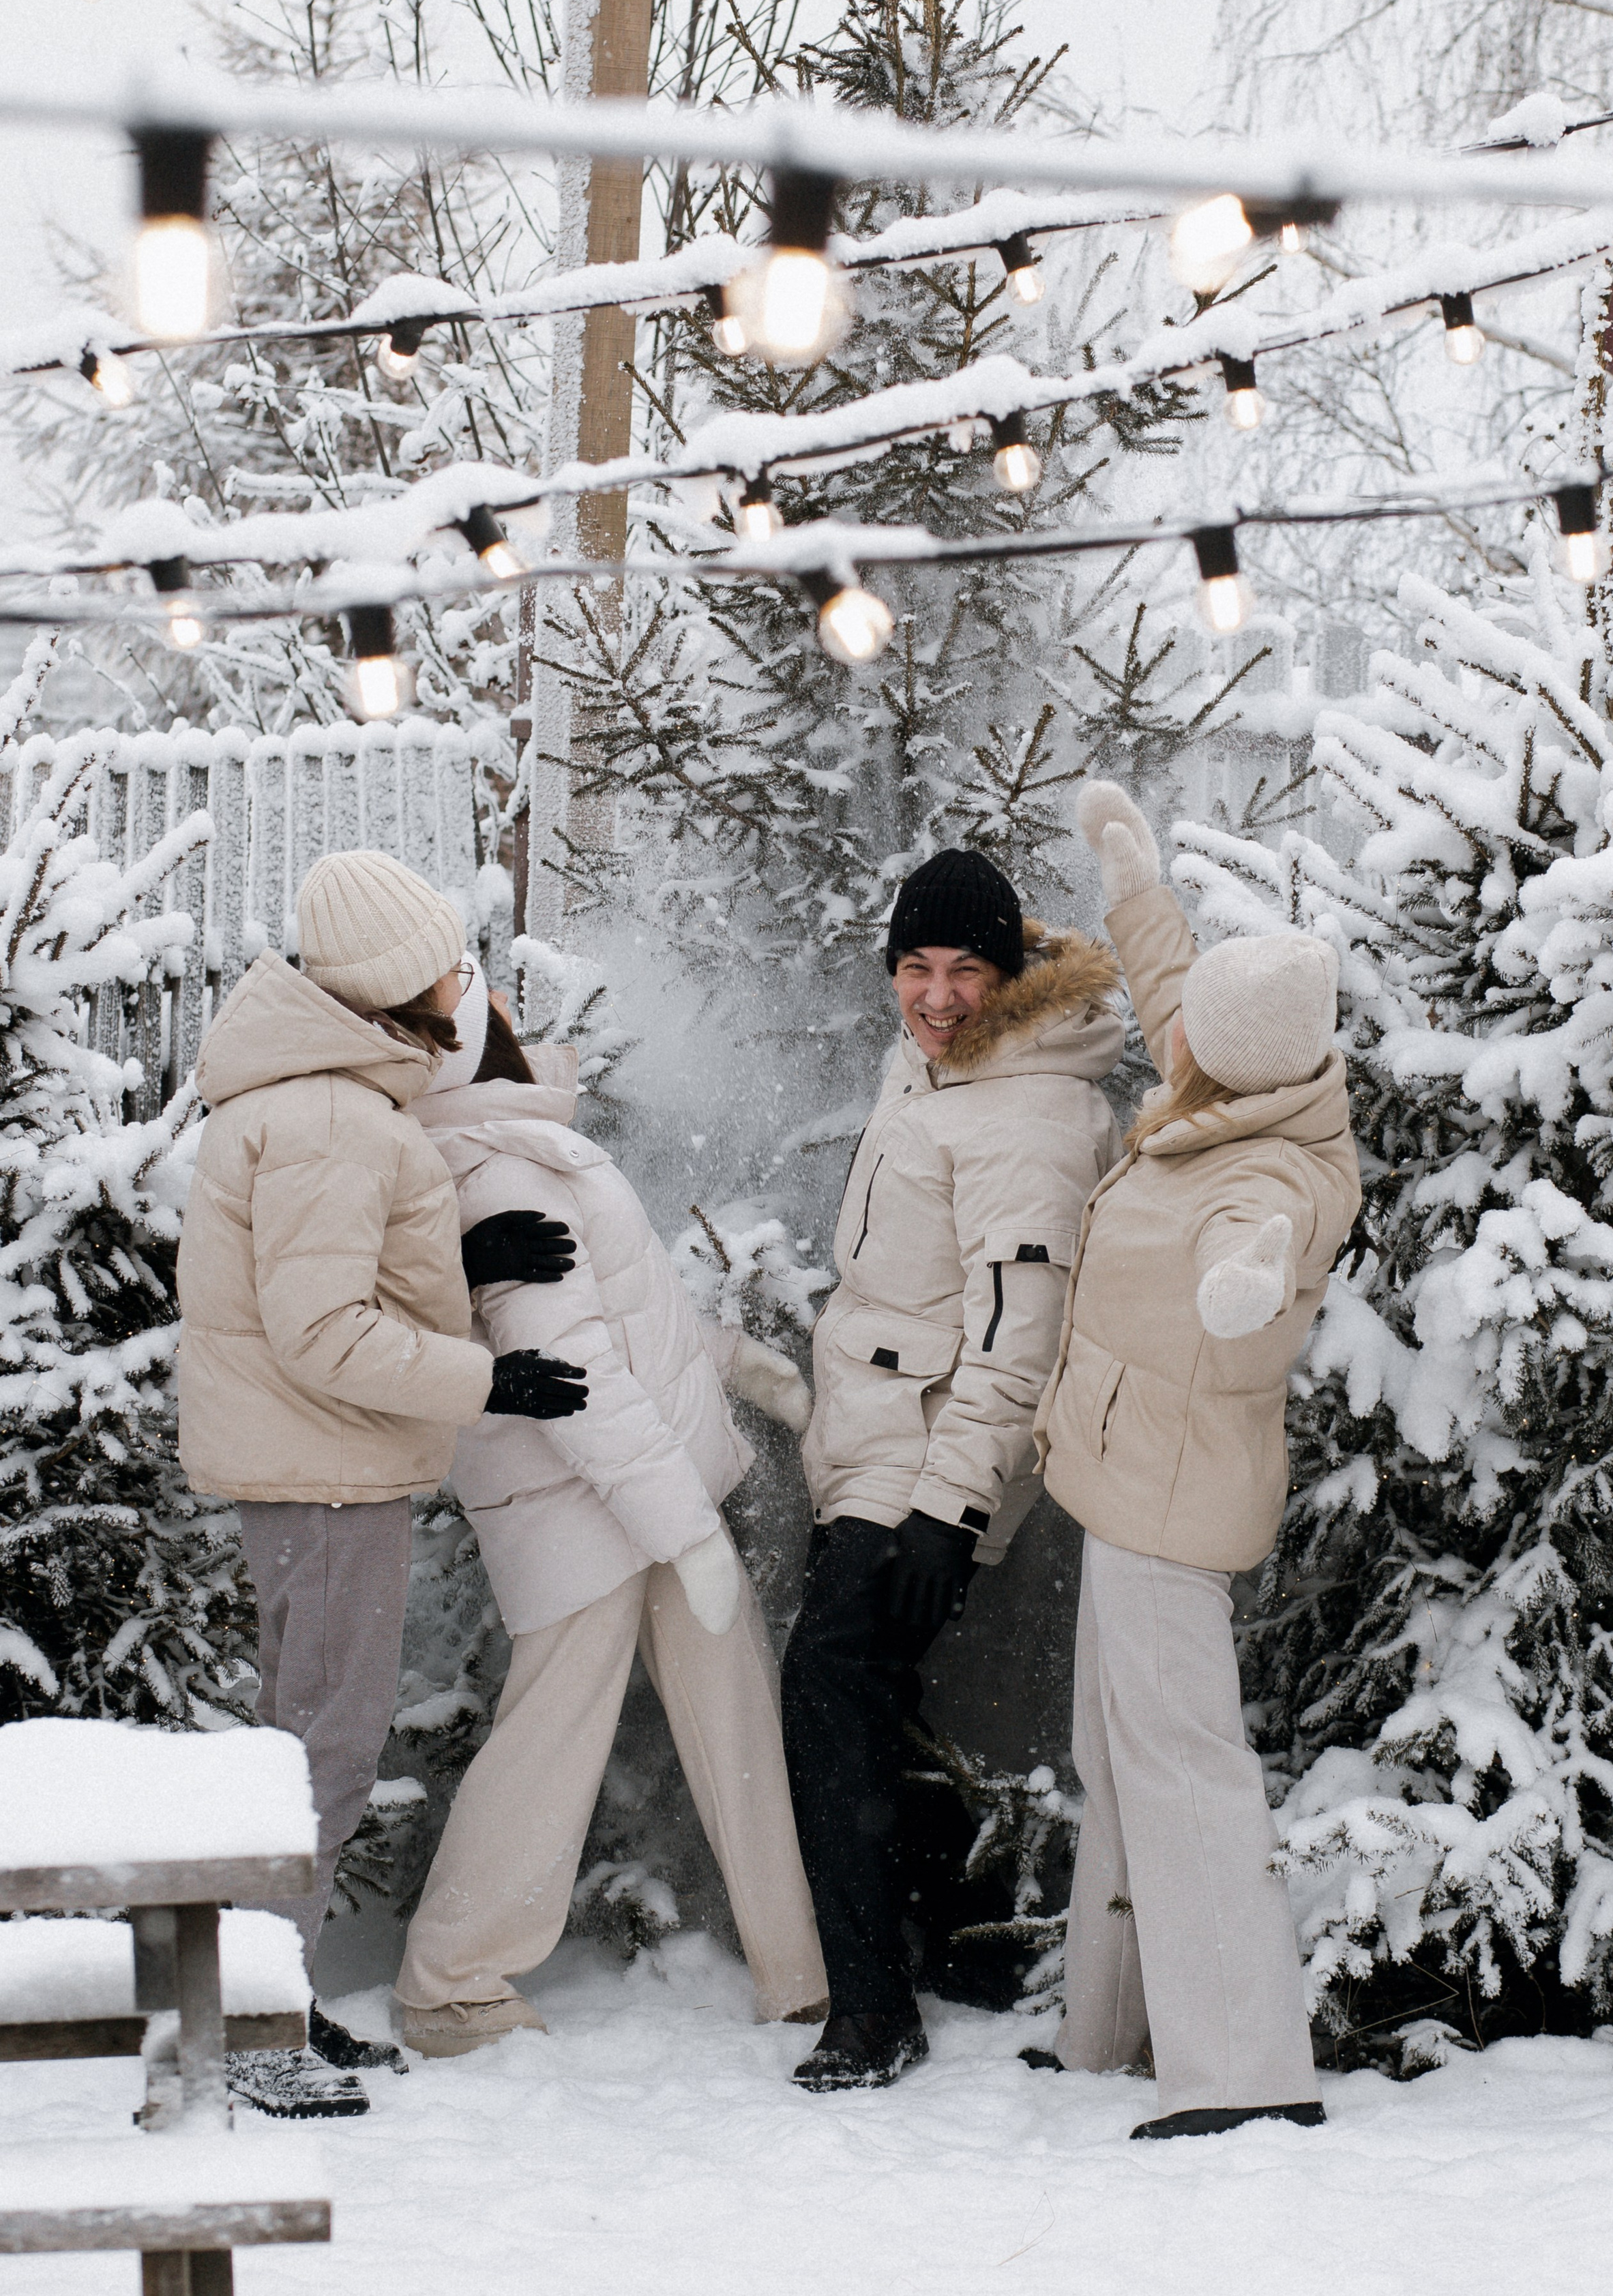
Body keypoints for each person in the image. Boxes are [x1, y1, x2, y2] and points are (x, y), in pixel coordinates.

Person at [177, 850, 588, 2117]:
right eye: (450, 965)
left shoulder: (323, 1096)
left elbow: (339, 1265)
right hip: (328, 1471)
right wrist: (489, 1379)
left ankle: (269, 1997)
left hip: (315, 1465)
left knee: (298, 1742)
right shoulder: (332, 1116)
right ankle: (253, 2032)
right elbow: (325, 1331)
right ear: (399, 985)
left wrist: (466, 1249)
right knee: (326, 1750)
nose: (465, 983)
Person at [391, 966, 829, 2055]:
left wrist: (729, 1359)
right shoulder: (498, 1170)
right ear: (465, 1041)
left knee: (739, 1725)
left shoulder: (516, 1143)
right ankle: (451, 1982)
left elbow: (618, 1314)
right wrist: (686, 1529)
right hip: (585, 1511)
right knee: (550, 1743)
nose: (505, 1005)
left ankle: (803, 1970)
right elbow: (572, 1374)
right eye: (478, 999)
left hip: (644, 1491)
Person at [1031, 781, 1361, 2143]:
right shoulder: (1227, 1074)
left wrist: (1248, 1280)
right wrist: (1134, 879)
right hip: (1126, 1475)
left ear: (1249, 1068)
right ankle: (1108, 2029)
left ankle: (1242, 2072)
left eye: (1199, 1051)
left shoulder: (1278, 1169)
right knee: (1118, 1757)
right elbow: (1176, 994)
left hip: (1174, 1501)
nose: (1178, 1055)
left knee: (1182, 1767)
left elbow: (1265, 1232)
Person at [782, 846, 1122, 2091]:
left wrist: (949, 1507)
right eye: (914, 968)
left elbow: (1023, 1334)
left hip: (928, 1454)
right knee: (870, 1694)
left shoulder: (1030, 1111)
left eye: (966, 970)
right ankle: (965, 1946)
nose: (935, 997)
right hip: (881, 1431)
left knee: (828, 1686)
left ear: (1009, 974)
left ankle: (874, 2009)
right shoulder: (942, 1066)